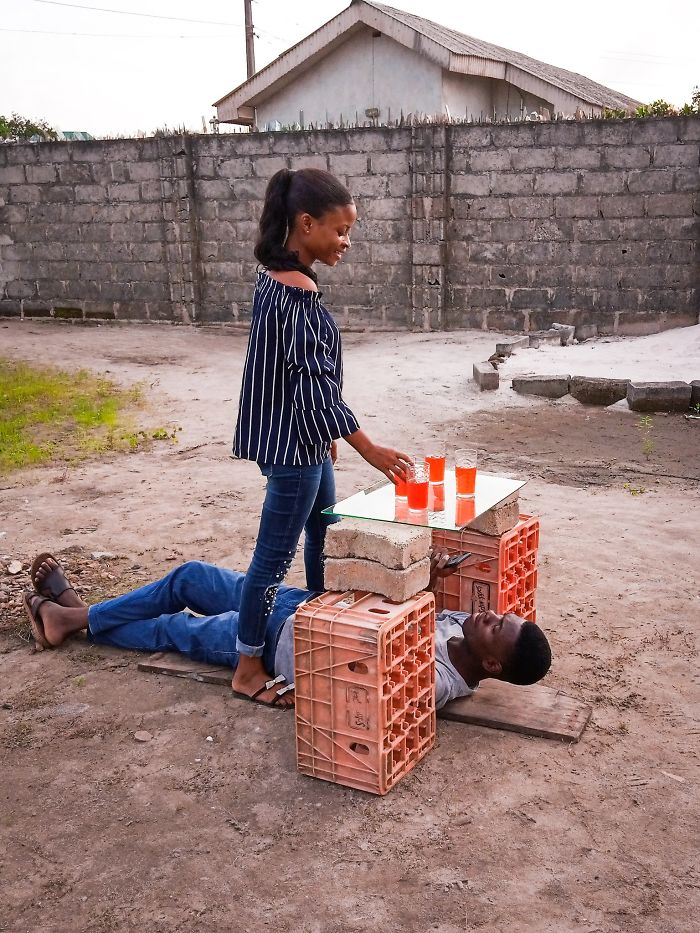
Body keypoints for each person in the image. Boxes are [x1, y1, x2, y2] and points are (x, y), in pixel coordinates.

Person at [231, 167, 411, 706]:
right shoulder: (298, 294)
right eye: (340, 230)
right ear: (306, 224)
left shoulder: (275, 279)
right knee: (272, 559)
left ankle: (318, 629)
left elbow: (286, 377)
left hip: (298, 439)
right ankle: (247, 668)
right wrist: (370, 450)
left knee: (324, 533)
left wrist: (321, 430)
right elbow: (315, 389)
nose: (346, 241)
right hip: (293, 453)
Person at [23, 554, 552, 711]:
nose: (489, 616)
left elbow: (369, 685)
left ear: (492, 665)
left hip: (283, 647)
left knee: (176, 629)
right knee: (189, 577)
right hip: (302, 605)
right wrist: (425, 581)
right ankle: (75, 617)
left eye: (497, 628)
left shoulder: (438, 683)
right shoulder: (458, 624)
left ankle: (72, 618)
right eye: (501, 616)